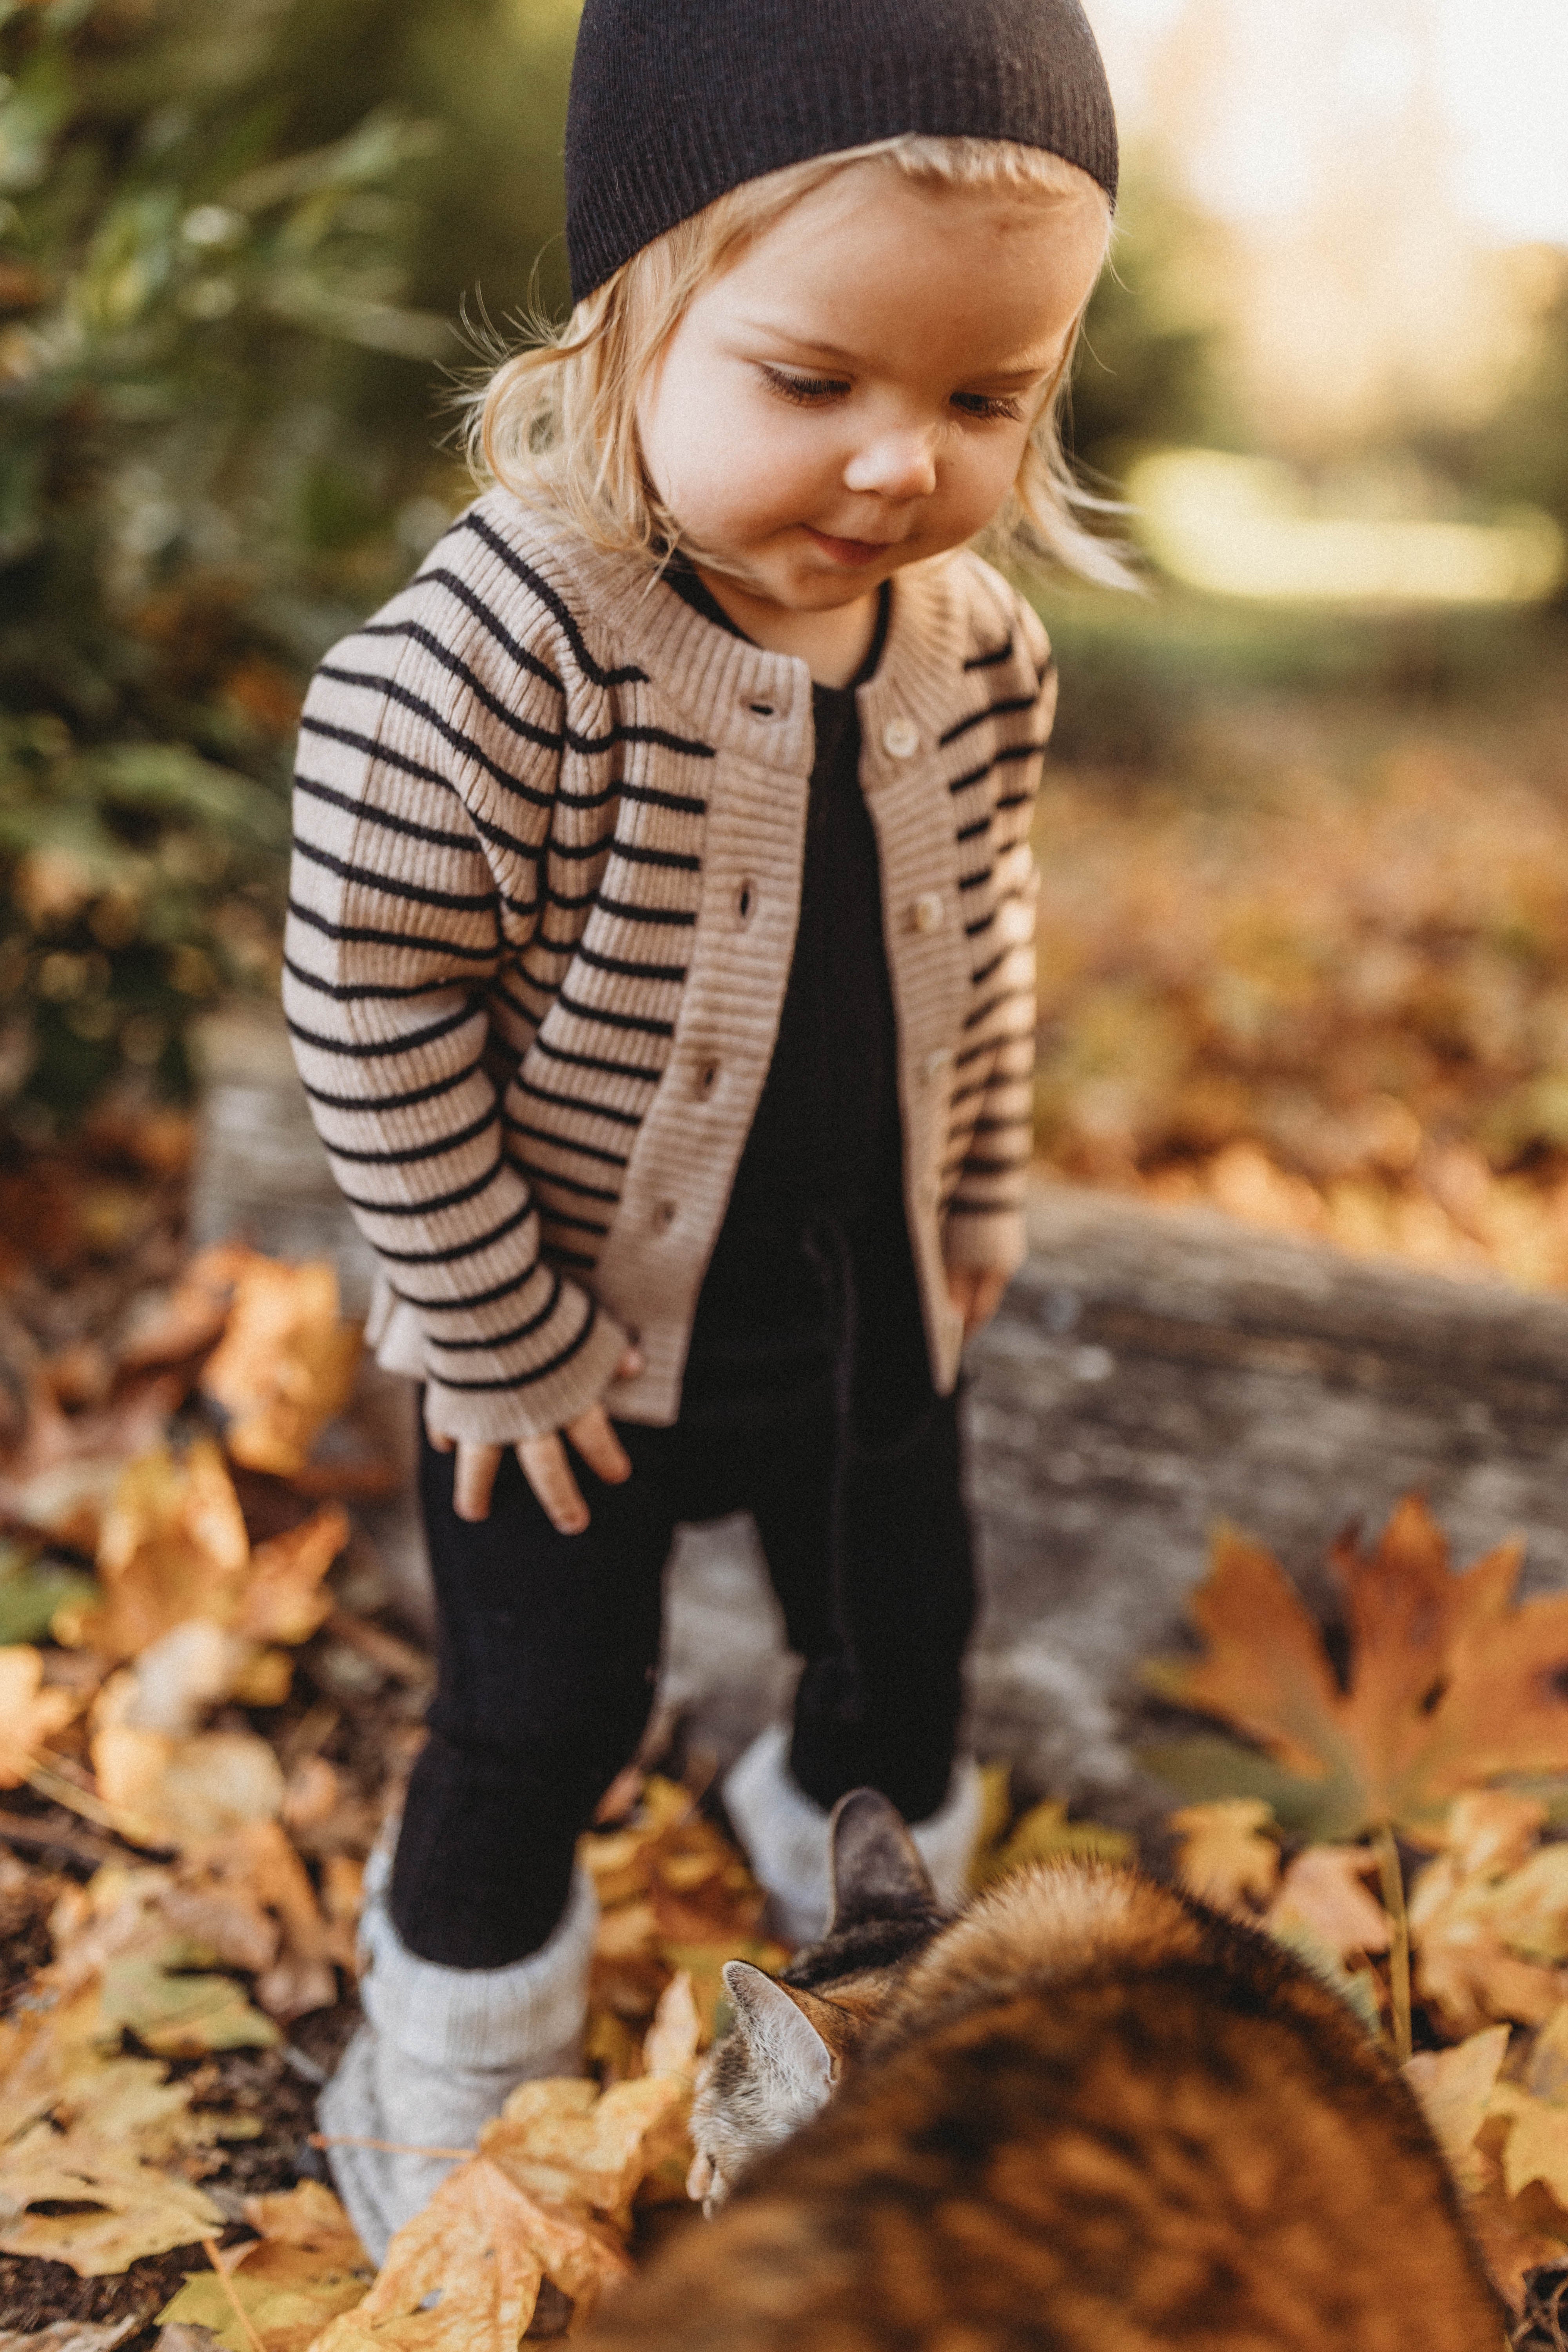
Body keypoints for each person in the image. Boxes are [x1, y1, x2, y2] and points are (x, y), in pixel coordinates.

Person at [286, 0, 1125, 2260]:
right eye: (813, 383)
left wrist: (978, 1191)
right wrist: (494, 1319)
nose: (896, 468)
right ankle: (450, 2079)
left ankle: (862, 1917)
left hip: (862, 1298)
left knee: (907, 1634)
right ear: (625, 318)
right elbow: (370, 989)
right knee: (544, 1703)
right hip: (560, 1334)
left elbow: (996, 940)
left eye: (984, 401)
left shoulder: (976, 652)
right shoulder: (492, 661)